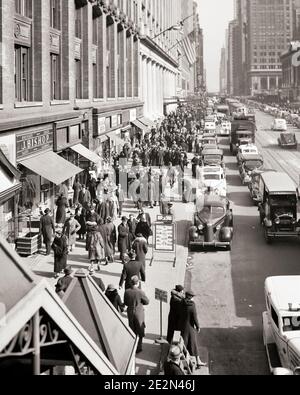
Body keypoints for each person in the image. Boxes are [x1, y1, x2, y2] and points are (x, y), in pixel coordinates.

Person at [181, 290, 207, 368]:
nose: (193, 298)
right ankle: (198, 361)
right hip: (190, 327)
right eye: (192, 296)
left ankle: (184, 359)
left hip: (182, 326)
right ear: (189, 296)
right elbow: (194, 317)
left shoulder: (181, 302)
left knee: (184, 343)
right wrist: (198, 326)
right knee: (193, 343)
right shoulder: (192, 305)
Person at [124, 275, 150, 354]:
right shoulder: (140, 292)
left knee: (132, 327)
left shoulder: (127, 291)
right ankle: (139, 346)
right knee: (140, 327)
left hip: (130, 311)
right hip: (139, 311)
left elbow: (125, 302)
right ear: (137, 283)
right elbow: (147, 302)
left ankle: (132, 345)